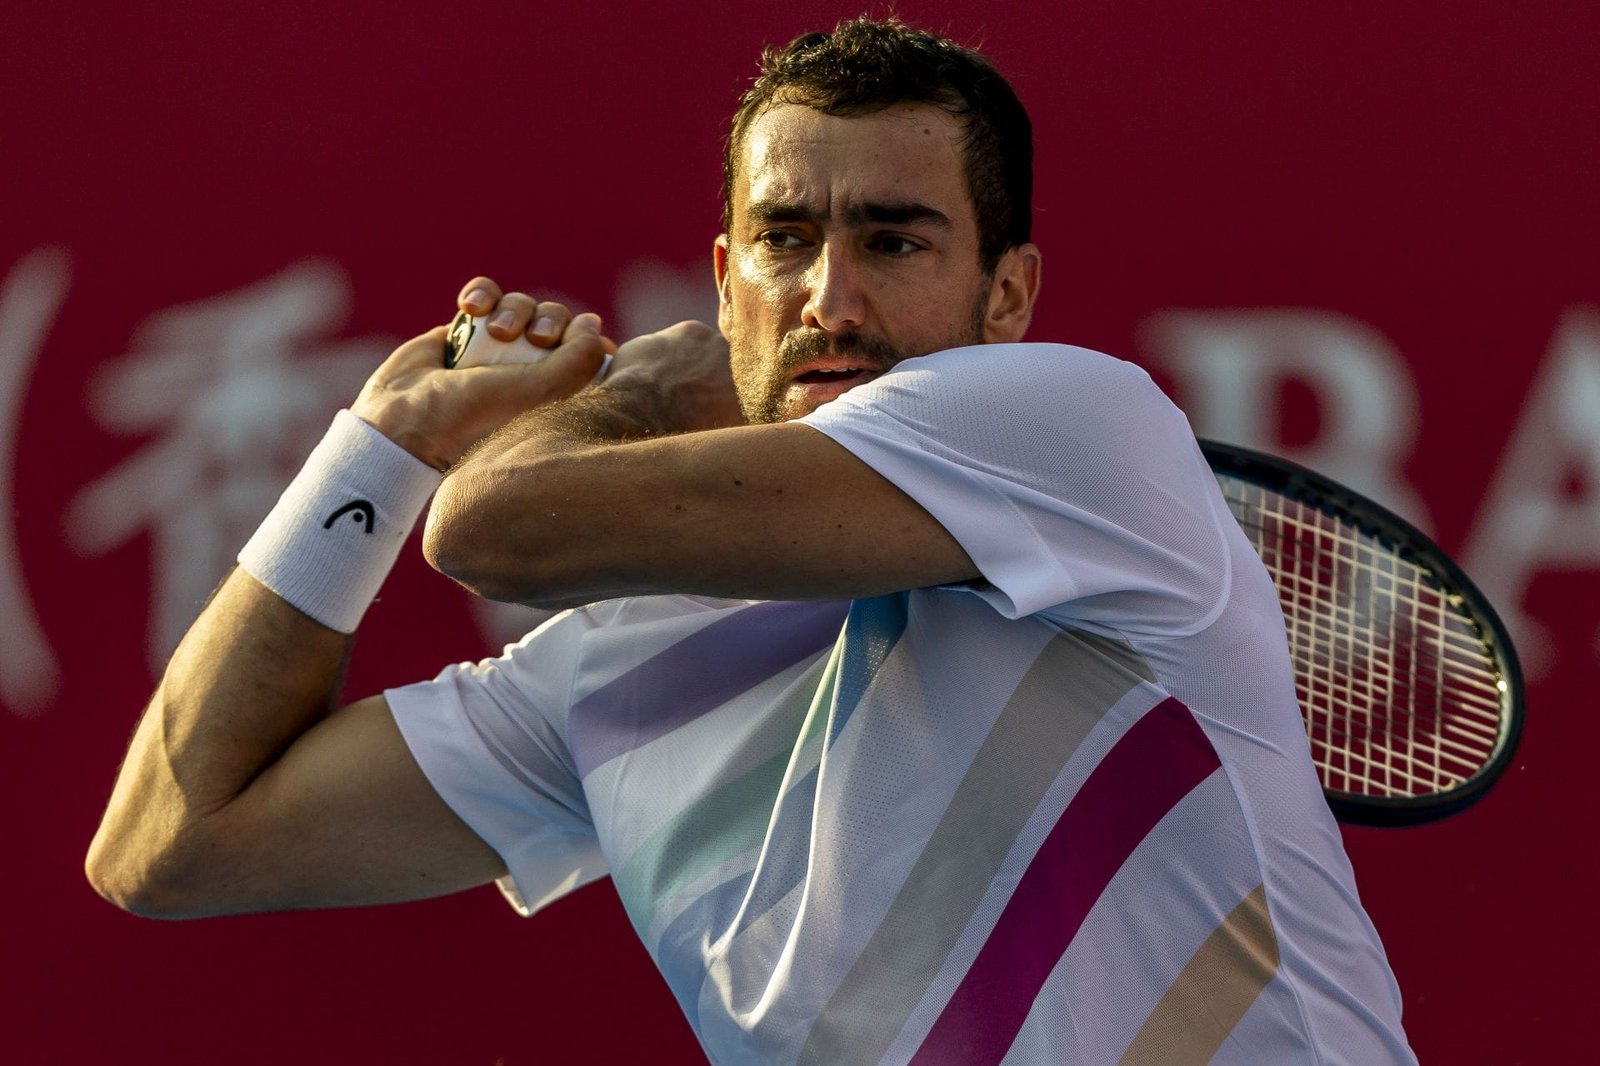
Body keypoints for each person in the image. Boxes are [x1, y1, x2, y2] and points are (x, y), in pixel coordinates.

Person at [86, 17, 1416, 1065]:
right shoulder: (602, 668)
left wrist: (638, 394)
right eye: (785, 240)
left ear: (1010, 294)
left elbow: (492, 528)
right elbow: (173, 840)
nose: (829, 297)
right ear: (725, 281)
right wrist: (376, 450)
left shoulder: (1079, 429)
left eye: (895, 239)